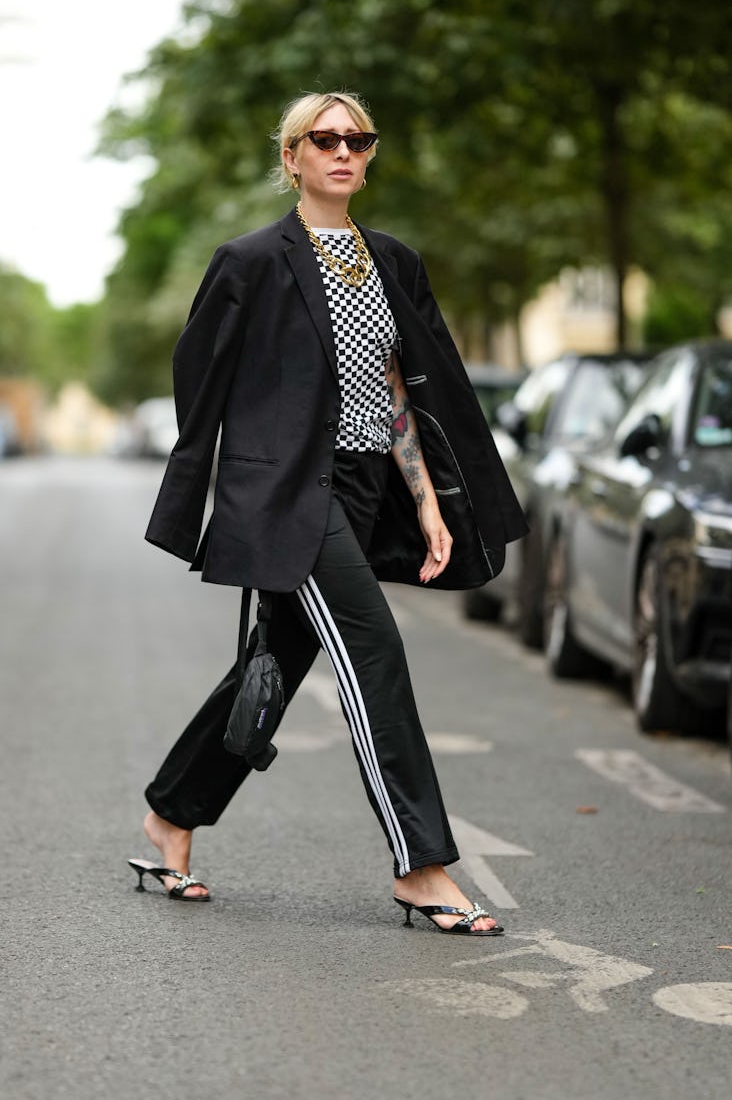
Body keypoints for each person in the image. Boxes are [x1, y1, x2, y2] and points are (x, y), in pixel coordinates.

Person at [128, 91, 528, 934]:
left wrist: (426, 500)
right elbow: (200, 374)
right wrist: (232, 478)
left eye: (359, 139)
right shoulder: (250, 261)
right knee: (374, 651)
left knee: (273, 664)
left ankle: (170, 816)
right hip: (286, 496)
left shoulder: (394, 263)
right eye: (326, 139)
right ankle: (421, 865)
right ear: (293, 158)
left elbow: (399, 389)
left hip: (360, 488)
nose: (344, 151)